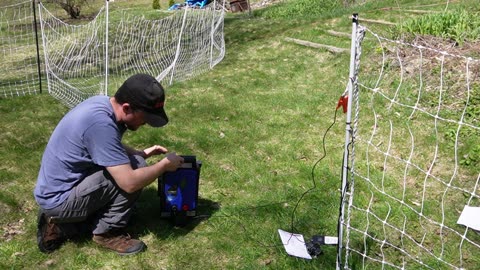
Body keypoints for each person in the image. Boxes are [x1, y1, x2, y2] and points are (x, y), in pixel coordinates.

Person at [34, 73, 184, 255]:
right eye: (145, 118)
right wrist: (164, 165)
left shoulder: (103, 104)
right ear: (127, 108)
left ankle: (68, 223)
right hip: (59, 200)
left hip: (58, 189)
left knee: (136, 160)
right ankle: (105, 232)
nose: (146, 123)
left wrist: (139, 153)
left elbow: (106, 143)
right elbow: (130, 183)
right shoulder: (100, 124)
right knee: (137, 168)